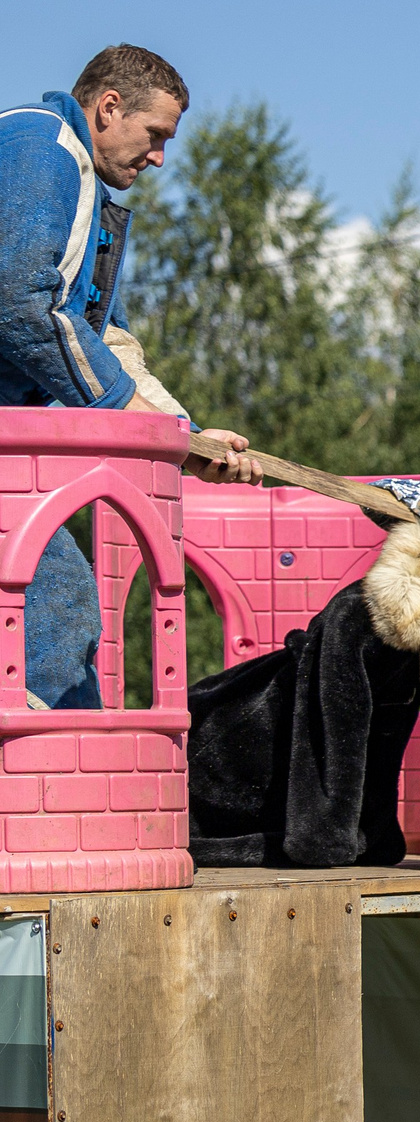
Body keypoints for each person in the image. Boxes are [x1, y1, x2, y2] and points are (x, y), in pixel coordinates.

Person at [0, 44, 257, 709]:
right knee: (53, 615)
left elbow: (102, 340)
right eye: (155, 136)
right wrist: (139, 419)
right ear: (109, 108)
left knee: (53, 608)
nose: (160, 158)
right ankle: (56, 800)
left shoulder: (77, 178)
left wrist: (185, 438)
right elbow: (21, 303)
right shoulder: (42, 147)